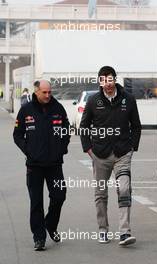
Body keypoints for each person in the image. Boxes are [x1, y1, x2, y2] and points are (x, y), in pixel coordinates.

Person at [80, 66, 141, 246]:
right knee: (101, 193)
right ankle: (103, 229)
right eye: (103, 81)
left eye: (110, 80)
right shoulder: (93, 101)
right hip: (100, 155)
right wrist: (89, 150)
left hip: (123, 153)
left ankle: (124, 232)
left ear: (115, 79)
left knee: (124, 189)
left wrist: (132, 148)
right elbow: (84, 127)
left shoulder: (128, 100)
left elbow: (136, 126)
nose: (107, 85)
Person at [13, 80, 70, 251]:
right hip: (34, 165)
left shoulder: (58, 108)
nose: (48, 95)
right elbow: (17, 135)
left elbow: (66, 130)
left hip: (54, 164)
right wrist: (29, 151)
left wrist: (62, 148)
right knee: (36, 202)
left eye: (49, 92)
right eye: (44, 92)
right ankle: (39, 237)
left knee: (59, 196)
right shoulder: (26, 110)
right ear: (36, 92)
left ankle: (50, 225)